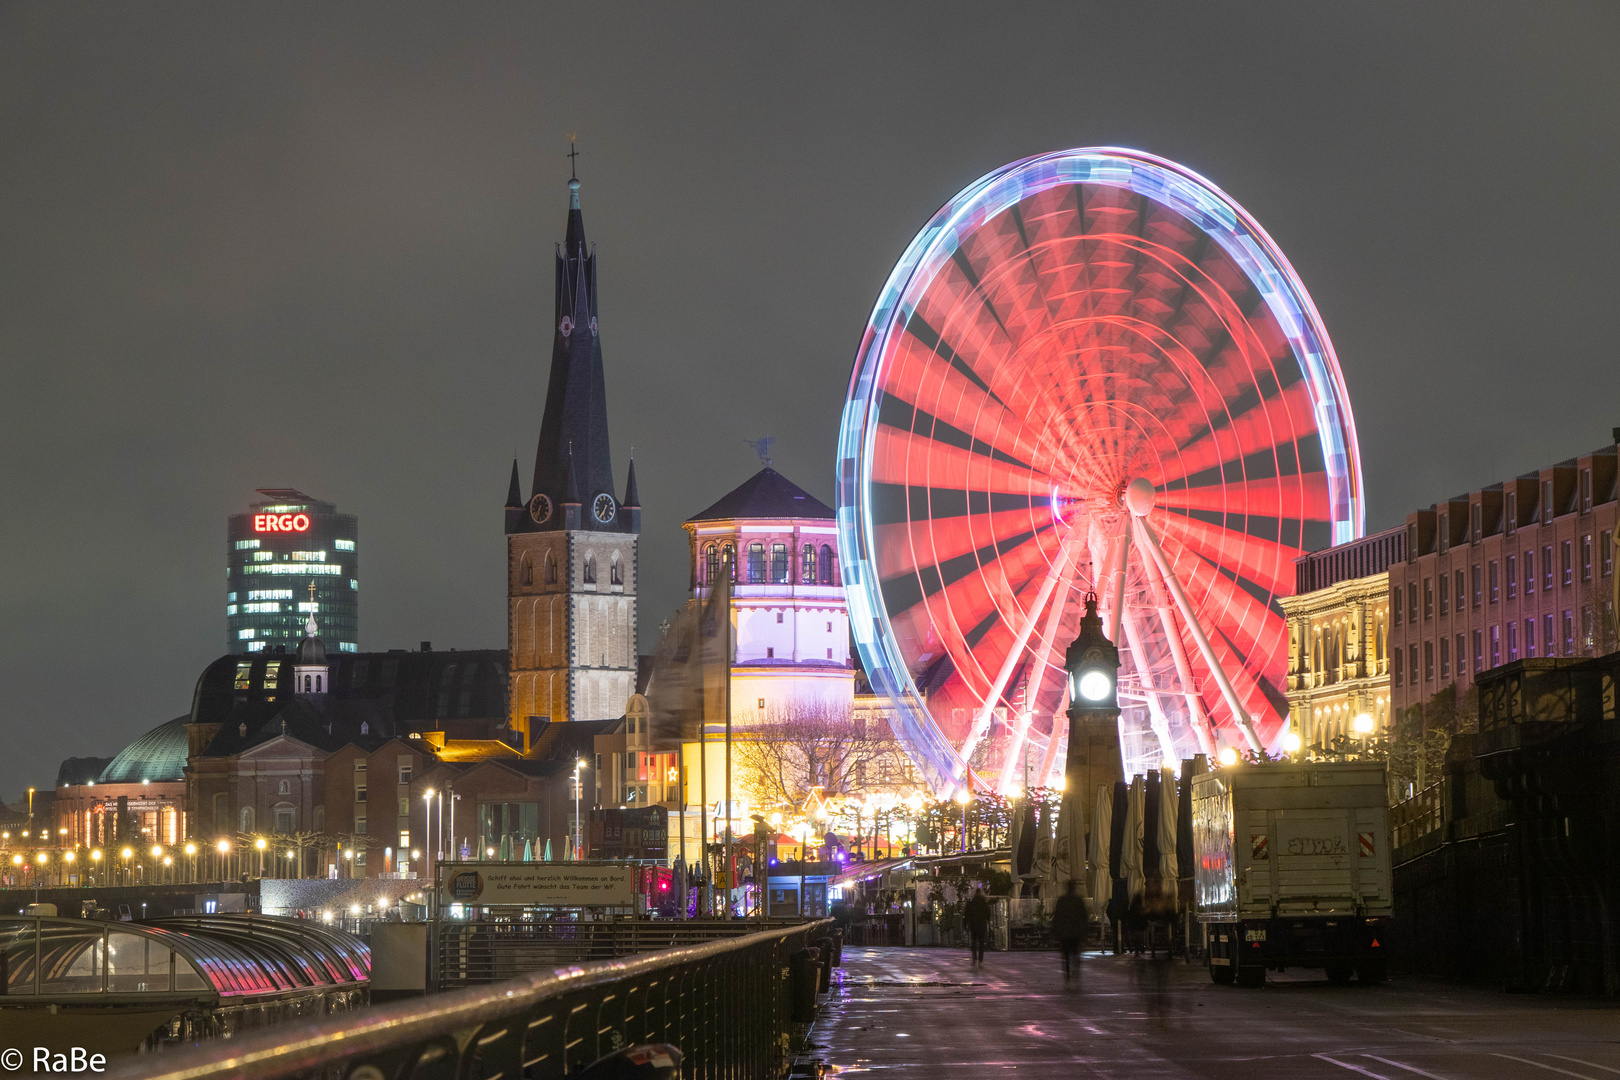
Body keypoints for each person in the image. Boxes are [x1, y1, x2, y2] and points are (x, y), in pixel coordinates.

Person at [1051, 881, 1086, 982]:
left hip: (1065, 933)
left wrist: (1055, 932)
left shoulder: (1062, 901)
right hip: (1075, 933)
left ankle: (1068, 976)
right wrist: (1084, 932)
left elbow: (1057, 917)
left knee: (1066, 956)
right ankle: (1075, 973)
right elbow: (1083, 918)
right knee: (1075, 955)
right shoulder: (1078, 901)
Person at [964, 887, 992, 965]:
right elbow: (988, 914)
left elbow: (966, 915)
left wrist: (965, 925)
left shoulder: (971, 903)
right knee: (981, 943)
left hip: (973, 925)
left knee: (973, 942)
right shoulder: (984, 903)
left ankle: (974, 959)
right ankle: (980, 960)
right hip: (982, 925)